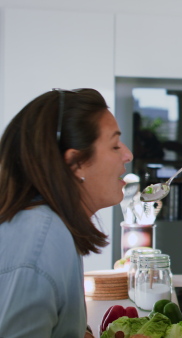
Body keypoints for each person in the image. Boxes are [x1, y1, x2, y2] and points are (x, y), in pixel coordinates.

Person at [0, 88, 133, 337]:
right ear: (76, 163)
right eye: (115, 146)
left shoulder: (51, 226)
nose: (127, 154)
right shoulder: (41, 239)